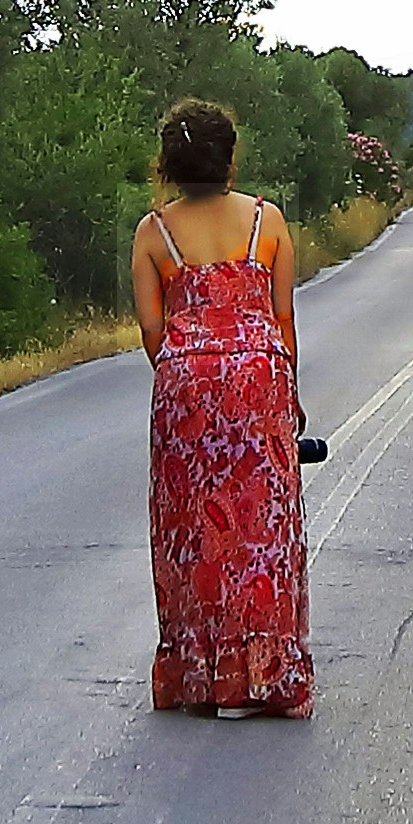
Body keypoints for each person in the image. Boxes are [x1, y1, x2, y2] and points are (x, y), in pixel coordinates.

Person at [130, 96, 312, 716]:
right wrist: (284, 393)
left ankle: (201, 676)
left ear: (169, 163)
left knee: (193, 529)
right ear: (230, 160)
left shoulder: (154, 234)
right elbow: (282, 318)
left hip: (184, 382)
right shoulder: (269, 222)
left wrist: (190, 374)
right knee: (260, 530)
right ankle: (257, 676)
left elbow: (153, 330)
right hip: (257, 376)